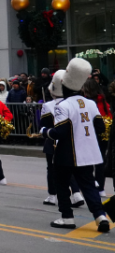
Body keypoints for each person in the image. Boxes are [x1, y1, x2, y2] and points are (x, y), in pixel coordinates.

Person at [45, 58, 112, 232]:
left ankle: (67, 217)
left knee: (61, 183)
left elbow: (59, 132)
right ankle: (100, 216)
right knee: (88, 184)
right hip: (88, 153)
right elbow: (100, 127)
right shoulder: (90, 103)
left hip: (67, 153)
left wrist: (45, 131)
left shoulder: (63, 105)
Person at [39, 71, 84, 208]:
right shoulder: (73, 103)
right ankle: (76, 193)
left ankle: (52, 195)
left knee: (52, 169)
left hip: (53, 140)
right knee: (70, 168)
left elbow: (44, 125)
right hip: (70, 141)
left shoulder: (48, 106)